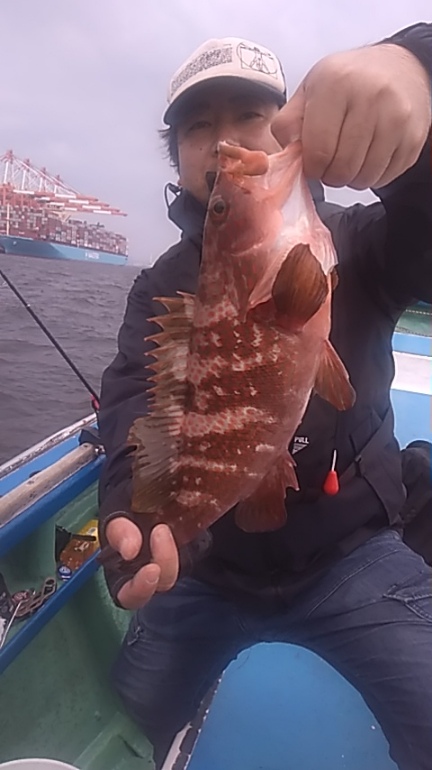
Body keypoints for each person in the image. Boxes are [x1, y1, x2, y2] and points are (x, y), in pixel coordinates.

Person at [97, 24, 432, 770]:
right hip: (210, 569)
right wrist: (137, 511)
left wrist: (419, 64)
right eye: (198, 127)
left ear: (291, 124)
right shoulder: (158, 288)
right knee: (130, 711)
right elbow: (131, 404)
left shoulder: (362, 242)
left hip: (353, 548)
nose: (225, 143)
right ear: (177, 156)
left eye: (249, 115)